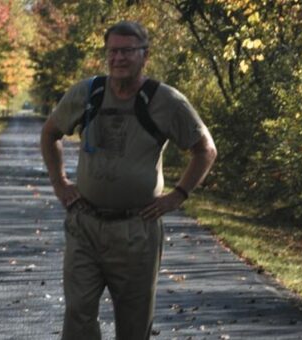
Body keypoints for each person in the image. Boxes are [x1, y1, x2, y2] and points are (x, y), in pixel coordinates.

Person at [40, 21, 217, 340]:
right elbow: (50, 133)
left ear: (144, 55)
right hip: (85, 226)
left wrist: (178, 194)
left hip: (137, 231)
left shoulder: (165, 101)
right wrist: (60, 183)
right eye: (112, 51)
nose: (118, 58)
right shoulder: (88, 93)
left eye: (126, 51)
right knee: (78, 316)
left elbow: (205, 150)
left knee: (134, 325)